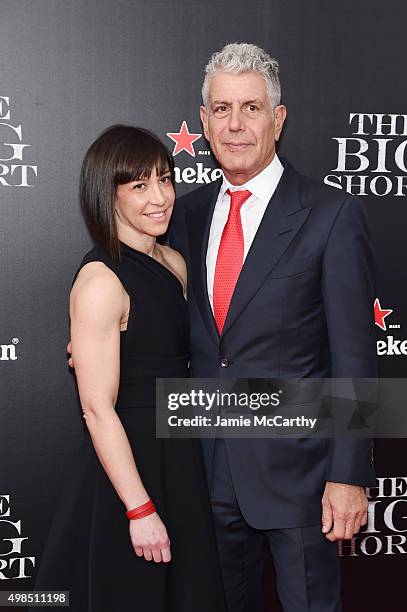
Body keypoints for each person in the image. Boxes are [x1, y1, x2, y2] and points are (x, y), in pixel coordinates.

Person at [168, 43, 377, 611]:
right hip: (204, 471)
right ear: (205, 120)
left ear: (278, 119)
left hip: (302, 479)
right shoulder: (182, 215)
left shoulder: (330, 214)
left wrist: (349, 476)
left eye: (251, 108)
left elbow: (356, 356)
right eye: (221, 109)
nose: (235, 125)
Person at [31, 125, 225, 612]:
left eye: (164, 179)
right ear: (108, 195)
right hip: (129, 465)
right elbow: (97, 409)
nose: (159, 198)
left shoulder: (176, 264)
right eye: (139, 186)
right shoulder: (100, 281)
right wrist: (138, 508)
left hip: (179, 457)